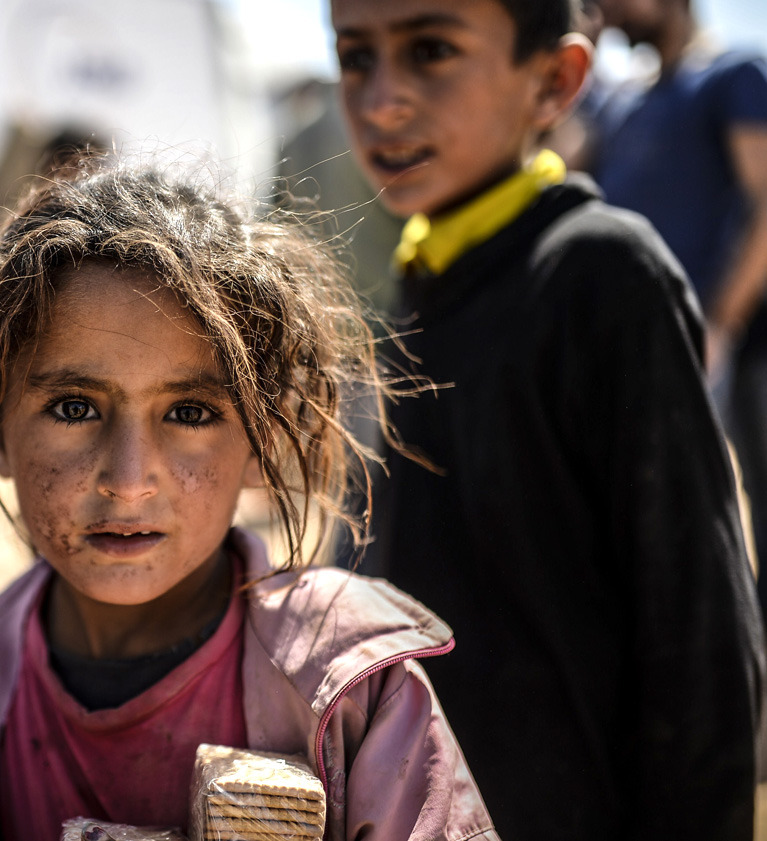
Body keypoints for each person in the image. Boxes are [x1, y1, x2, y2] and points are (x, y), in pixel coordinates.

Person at [0, 156, 500, 841]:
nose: (128, 479)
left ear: (259, 439)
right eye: (74, 407)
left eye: (188, 413)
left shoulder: (344, 681)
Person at [329, 0, 766, 839]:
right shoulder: (411, 296)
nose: (381, 99)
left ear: (554, 81)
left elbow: (701, 641)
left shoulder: (601, 276)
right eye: (356, 56)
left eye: (430, 49)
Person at [591, 0, 767, 604]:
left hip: (707, 345)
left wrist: (720, 322)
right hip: (625, 350)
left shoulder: (731, 75)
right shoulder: (623, 102)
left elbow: (765, 203)